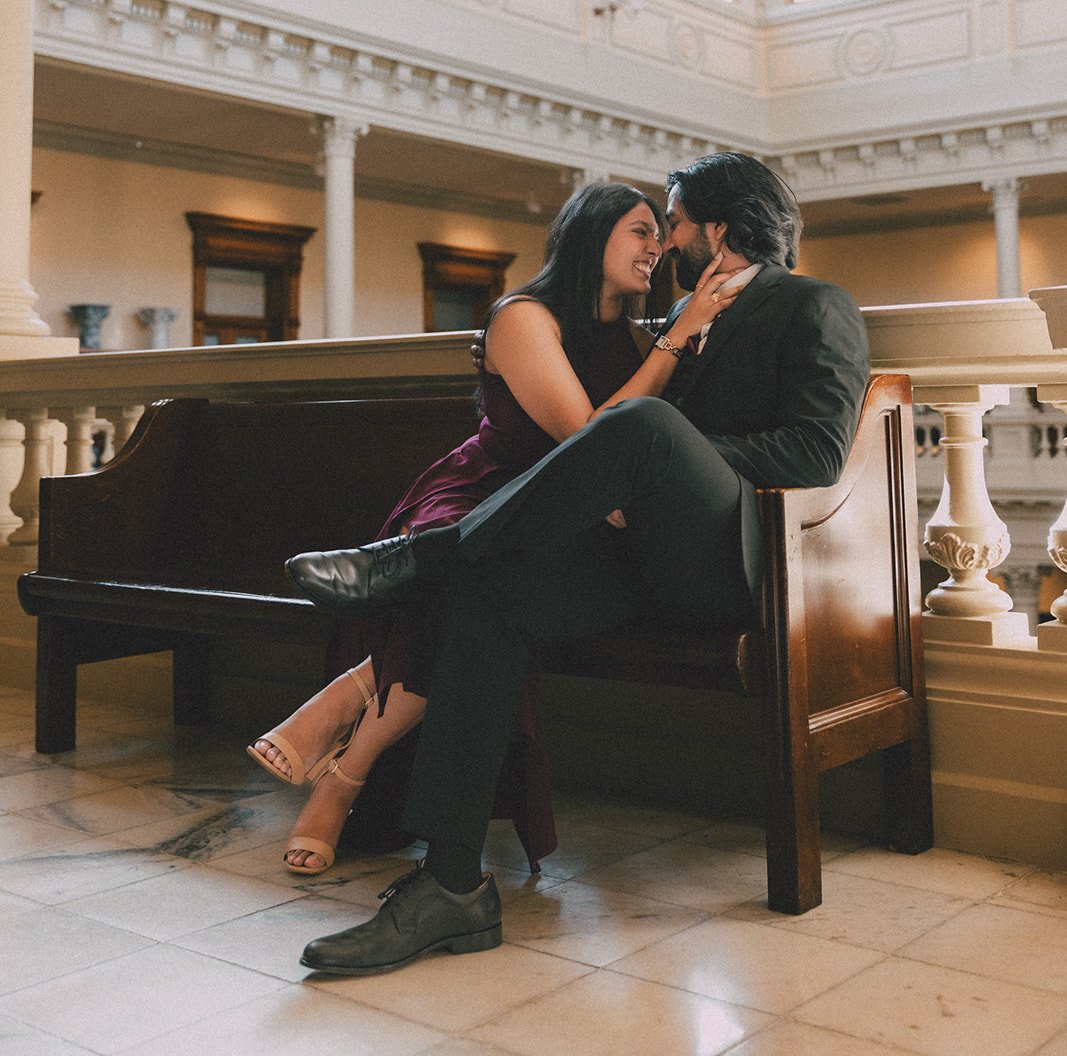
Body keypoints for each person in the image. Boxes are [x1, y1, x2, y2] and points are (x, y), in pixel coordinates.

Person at [284, 151, 871, 976]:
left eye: (673, 222)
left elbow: (815, 453)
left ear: (720, 229)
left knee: (638, 429)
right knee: (493, 593)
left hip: (737, 569)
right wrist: (654, 436)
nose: (666, 241)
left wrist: (671, 456)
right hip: (638, 563)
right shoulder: (670, 323)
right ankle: (450, 886)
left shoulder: (815, 306)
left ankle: (414, 561)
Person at [246, 180, 735, 873]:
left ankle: (343, 704)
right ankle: (342, 781)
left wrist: (677, 337)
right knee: (460, 581)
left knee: (489, 584)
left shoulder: (635, 339)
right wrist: (676, 340)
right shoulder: (523, 316)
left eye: (662, 232)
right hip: (478, 498)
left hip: (561, 519)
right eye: (639, 229)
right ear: (589, 235)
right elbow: (587, 440)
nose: (656, 245)